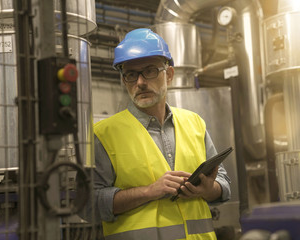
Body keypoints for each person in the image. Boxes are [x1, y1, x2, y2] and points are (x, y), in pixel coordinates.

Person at [84, 28, 231, 240]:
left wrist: (208, 190)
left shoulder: (195, 123)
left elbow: (224, 184)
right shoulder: (104, 134)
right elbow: (88, 204)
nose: (140, 82)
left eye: (150, 71)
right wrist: (149, 191)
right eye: (131, 75)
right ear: (124, 80)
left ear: (169, 74)